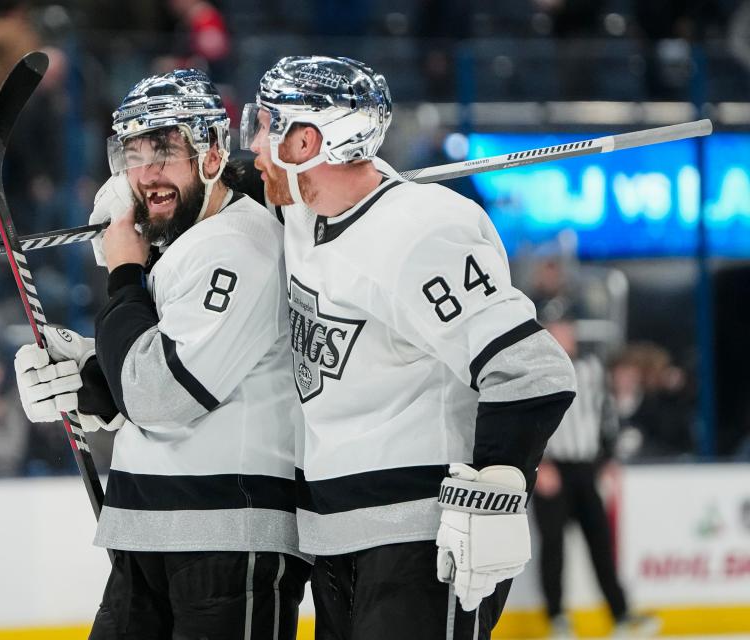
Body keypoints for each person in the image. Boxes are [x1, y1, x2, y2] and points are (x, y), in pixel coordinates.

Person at [242, 55, 577, 639]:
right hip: (335, 541)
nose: (255, 145)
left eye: (268, 127)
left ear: (307, 140)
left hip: (420, 546)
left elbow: (532, 372)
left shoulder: (423, 231)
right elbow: (229, 186)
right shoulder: (303, 215)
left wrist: (494, 490)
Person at [14, 69, 310, 639]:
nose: (147, 172)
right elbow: (139, 379)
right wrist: (84, 383)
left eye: (166, 150)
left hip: (228, 541)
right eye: (134, 153)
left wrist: (124, 272)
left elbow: (160, 395)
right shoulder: (176, 250)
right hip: (147, 534)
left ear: (212, 155)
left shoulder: (240, 246)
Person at [533, 306, 660, 638]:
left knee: (601, 544)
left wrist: (609, 458)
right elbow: (528, 421)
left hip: (586, 469)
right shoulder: (537, 369)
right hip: (553, 471)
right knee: (553, 548)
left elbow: (605, 415)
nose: (561, 333)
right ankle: (557, 618)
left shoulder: (592, 368)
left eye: (565, 327)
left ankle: (620, 614)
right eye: (554, 328)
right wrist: (539, 464)